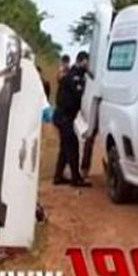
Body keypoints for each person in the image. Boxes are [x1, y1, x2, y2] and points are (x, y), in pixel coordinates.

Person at [53, 51, 91, 187]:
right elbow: (78, 91)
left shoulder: (76, 75)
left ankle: (58, 176)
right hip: (64, 116)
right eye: (87, 62)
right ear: (82, 61)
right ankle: (76, 179)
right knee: (72, 145)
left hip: (64, 116)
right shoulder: (74, 76)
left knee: (65, 146)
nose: (88, 65)